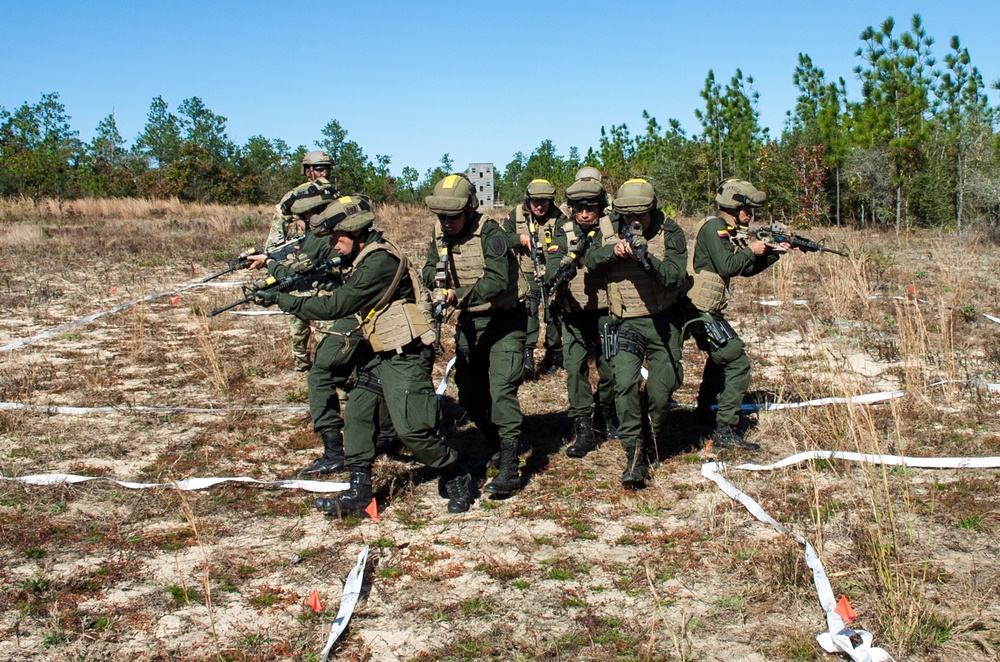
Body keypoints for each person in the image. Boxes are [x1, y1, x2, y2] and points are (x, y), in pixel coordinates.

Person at [255, 195, 474, 515]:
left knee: (413, 432)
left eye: (335, 238)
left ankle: (455, 472)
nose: (331, 245)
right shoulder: (360, 255)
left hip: (405, 354)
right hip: (378, 352)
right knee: (358, 415)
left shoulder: (379, 261)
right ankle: (359, 491)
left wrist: (282, 299)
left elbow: (337, 305)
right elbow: (329, 278)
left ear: (356, 234)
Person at [423, 174, 526, 497]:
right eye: (442, 217)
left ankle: (510, 466)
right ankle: (496, 441)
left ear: (469, 211)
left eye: (453, 217)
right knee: (468, 395)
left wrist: (459, 293)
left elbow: (498, 279)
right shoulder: (440, 235)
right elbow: (427, 269)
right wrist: (437, 280)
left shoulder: (490, 233)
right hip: (470, 323)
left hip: (504, 321)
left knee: (502, 390)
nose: (447, 223)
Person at [583, 178, 689, 488]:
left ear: (652, 210)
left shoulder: (671, 232)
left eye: (638, 215)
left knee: (660, 390)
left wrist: (647, 259)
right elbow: (590, 262)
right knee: (624, 384)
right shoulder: (606, 228)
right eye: (626, 215)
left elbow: (674, 277)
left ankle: (652, 435)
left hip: (664, 321)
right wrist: (612, 251)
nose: (632, 221)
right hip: (624, 320)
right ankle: (634, 452)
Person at [686, 179, 788, 451]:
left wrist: (773, 254)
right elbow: (729, 265)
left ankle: (705, 409)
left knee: (720, 358)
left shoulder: (725, 228)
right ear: (733, 206)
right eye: (746, 210)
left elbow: (745, 269)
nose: (750, 215)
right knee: (736, 360)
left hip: (705, 308)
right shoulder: (715, 228)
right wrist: (750, 249)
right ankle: (725, 429)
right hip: (700, 310)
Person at [546, 177, 617, 458]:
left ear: (601, 208)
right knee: (575, 369)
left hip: (606, 309)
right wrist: (560, 272)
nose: (585, 214)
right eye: (579, 209)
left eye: (591, 208)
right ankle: (583, 425)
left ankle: (607, 413)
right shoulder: (561, 229)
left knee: (610, 368)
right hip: (573, 311)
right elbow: (552, 262)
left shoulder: (611, 228)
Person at [266, 150, 338, 372]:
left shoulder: (333, 196)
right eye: (318, 168)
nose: (323, 172)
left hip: (325, 265)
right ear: (307, 171)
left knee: (331, 319)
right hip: (299, 263)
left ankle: (331, 362)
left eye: (327, 168)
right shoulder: (293, 199)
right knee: (298, 321)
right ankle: (301, 363)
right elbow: (277, 234)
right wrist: (279, 257)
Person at [504, 179, 565, 378]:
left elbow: (565, 243)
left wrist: (550, 269)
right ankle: (527, 354)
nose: (539, 206)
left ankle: (553, 353)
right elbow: (501, 237)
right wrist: (519, 239)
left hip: (552, 272)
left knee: (554, 312)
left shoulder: (560, 217)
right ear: (528, 200)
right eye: (535, 202)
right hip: (526, 272)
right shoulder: (516, 215)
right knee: (527, 311)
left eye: (545, 202)